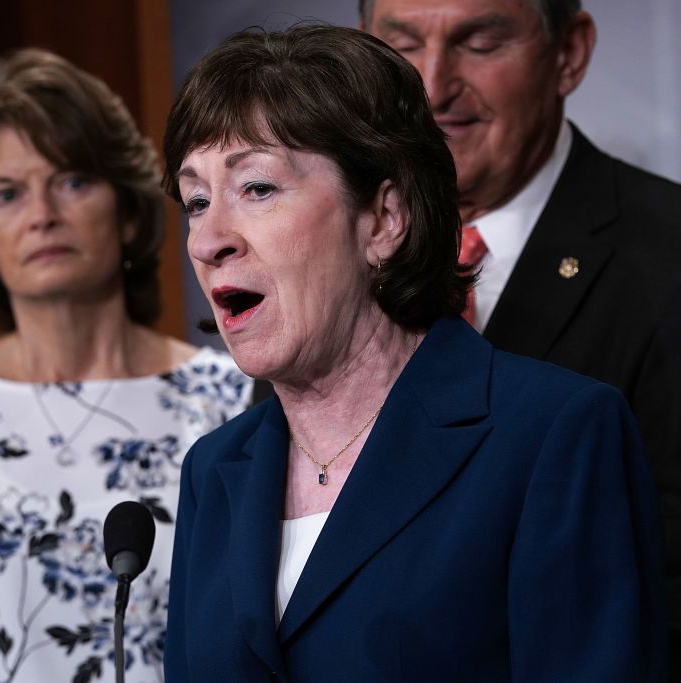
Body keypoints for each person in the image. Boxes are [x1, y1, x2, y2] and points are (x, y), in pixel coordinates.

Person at [161, 24, 667, 681]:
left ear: (384, 218)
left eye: (256, 188)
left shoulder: (554, 435)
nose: (208, 240)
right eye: (196, 200)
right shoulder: (216, 469)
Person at [0, 48, 251, 682]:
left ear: (125, 210)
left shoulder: (232, 399)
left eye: (73, 181)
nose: (42, 215)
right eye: (7, 194)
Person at [361, 0, 681, 662]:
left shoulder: (669, 256)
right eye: (402, 43)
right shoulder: (322, 259)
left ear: (569, 53)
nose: (432, 85)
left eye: (479, 43)